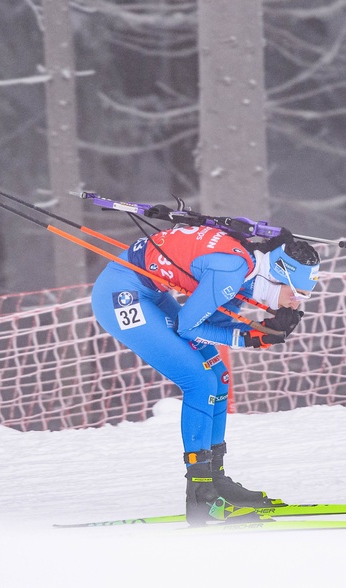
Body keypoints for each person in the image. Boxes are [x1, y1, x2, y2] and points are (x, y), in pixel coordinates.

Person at [90, 221, 321, 525]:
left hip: (150, 290)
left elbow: (211, 321)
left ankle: (215, 480)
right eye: (297, 293)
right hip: (121, 295)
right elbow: (189, 327)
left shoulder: (249, 268)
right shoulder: (232, 271)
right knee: (199, 381)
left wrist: (256, 331)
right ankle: (199, 494)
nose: (296, 303)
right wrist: (250, 337)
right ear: (278, 277)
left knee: (218, 377)